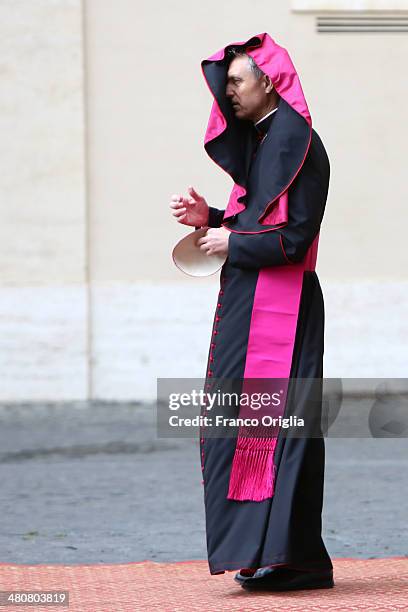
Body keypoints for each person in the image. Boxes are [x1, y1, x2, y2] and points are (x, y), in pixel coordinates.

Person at [169, 32, 334, 591]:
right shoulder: (266, 141)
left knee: (283, 431)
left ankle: (296, 559)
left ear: (269, 80)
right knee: (237, 429)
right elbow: (254, 220)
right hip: (250, 302)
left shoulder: (297, 143)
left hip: (283, 313)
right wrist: (210, 217)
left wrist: (229, 242)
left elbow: (295, 238)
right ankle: (265, 551)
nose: (228, 93)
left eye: (237, 81)